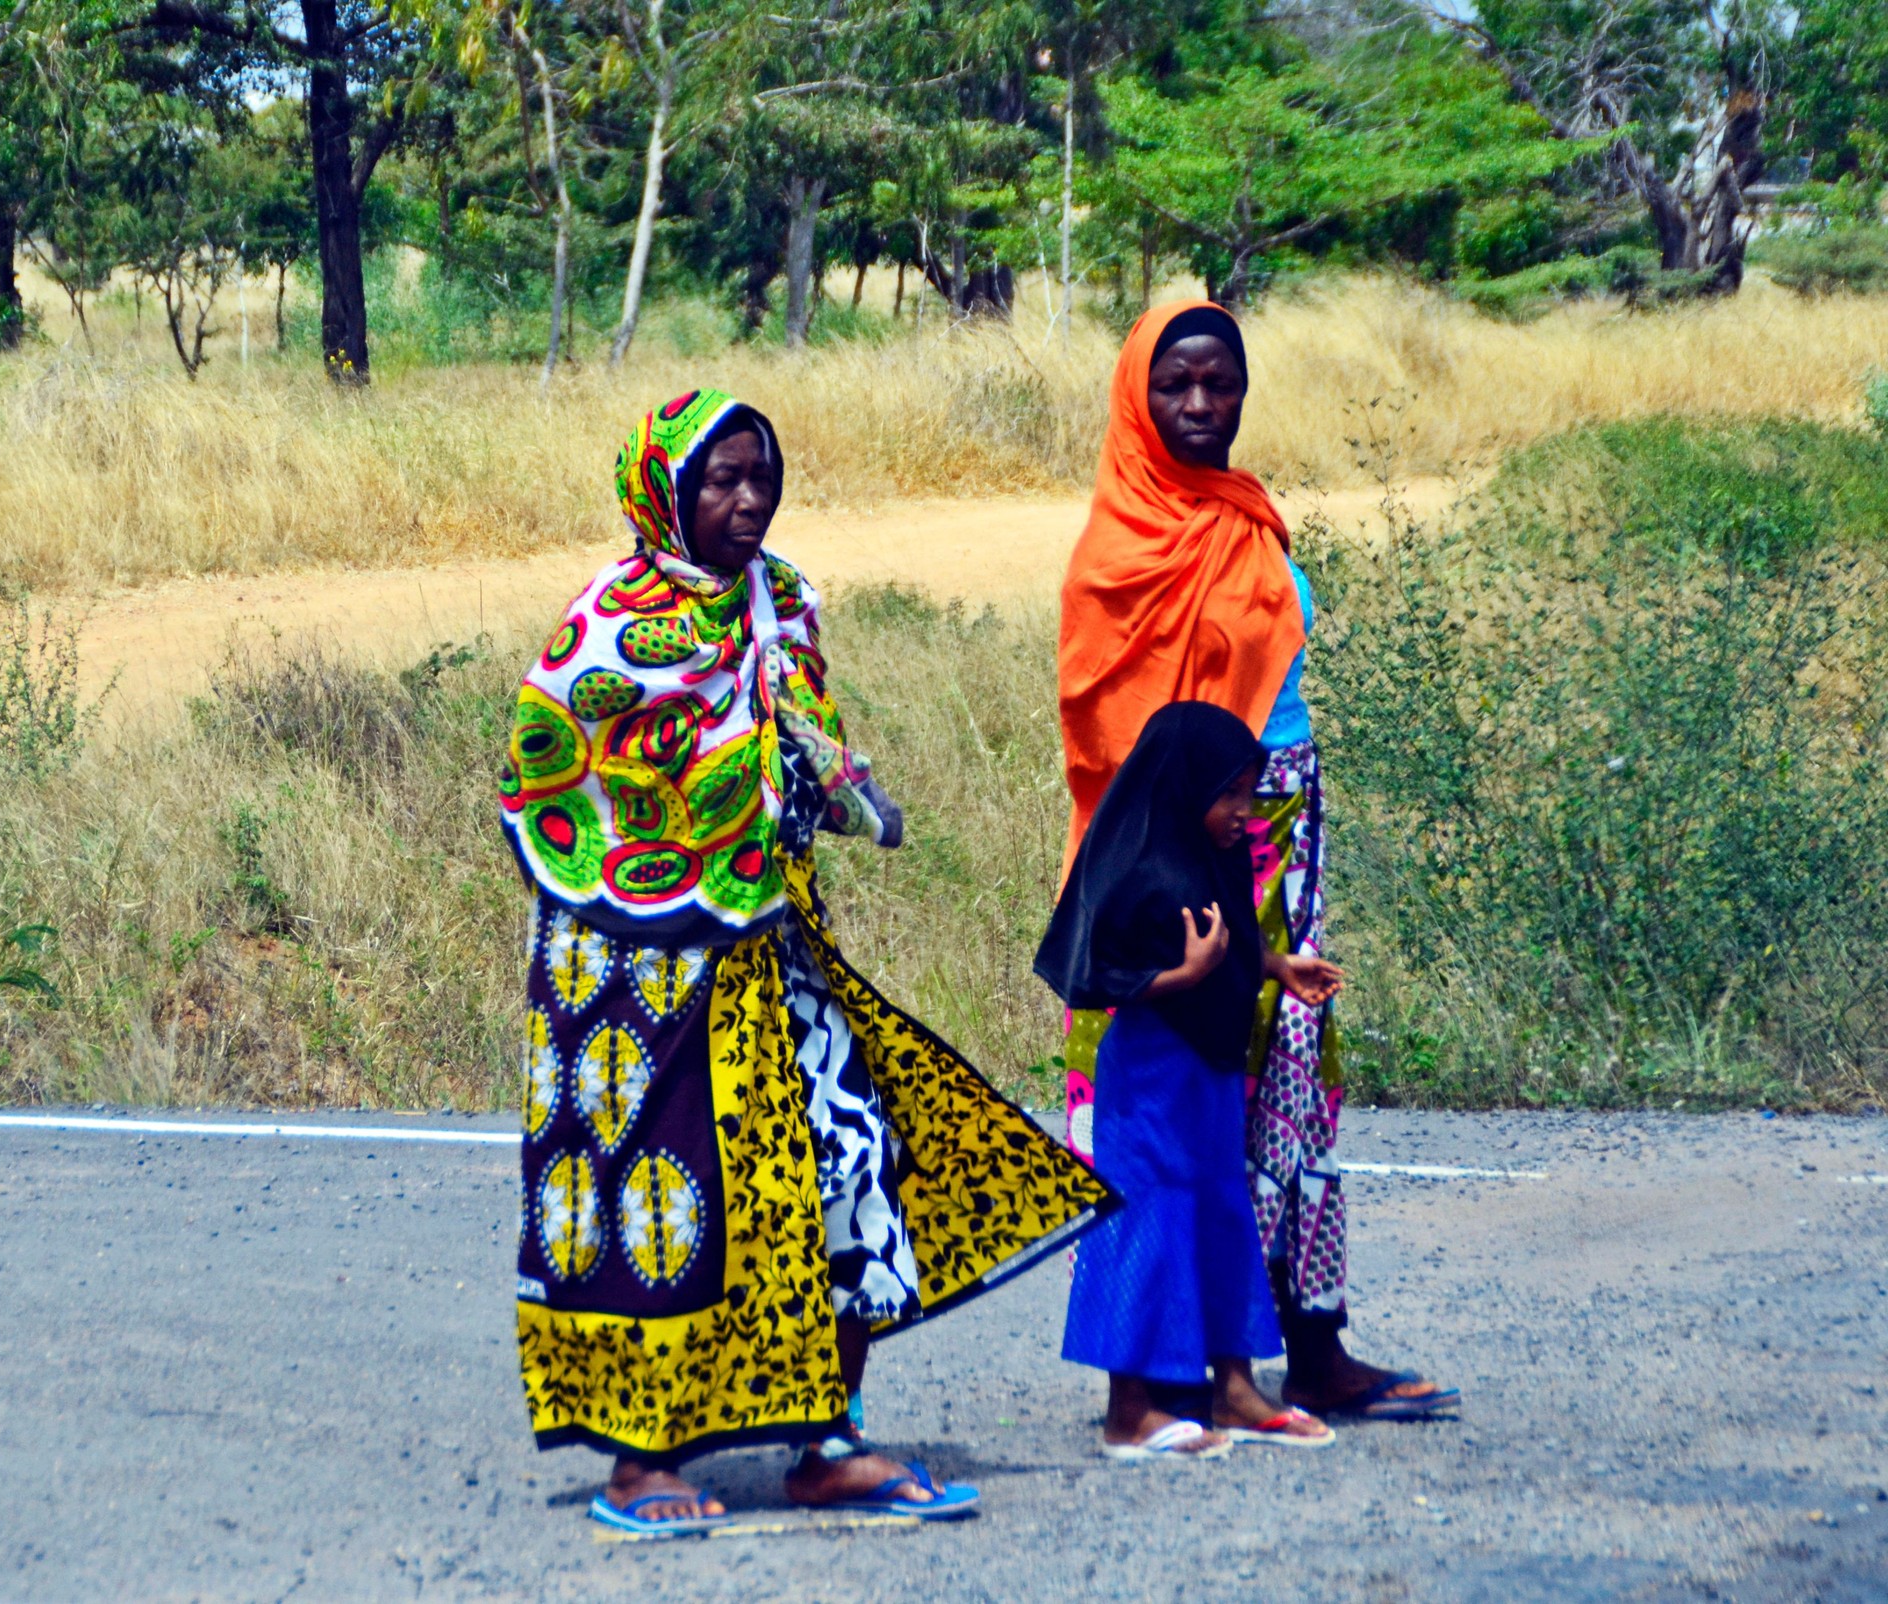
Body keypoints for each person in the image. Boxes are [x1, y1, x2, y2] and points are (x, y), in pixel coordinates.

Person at [500, 389, 1114, 1536]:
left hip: (775, 946)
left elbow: (801, 723)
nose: (746, 501)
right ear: (665, 493)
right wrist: (706, 820)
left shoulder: (781, 597)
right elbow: (551, 781)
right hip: (645, 969)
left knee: (843, 1165)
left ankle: (827, 1436)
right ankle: (643, 1459)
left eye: (759, 477)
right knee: (672, 1195)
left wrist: (845, 789)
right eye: (719, 480)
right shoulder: (608, 626)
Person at [1055, 301, 1460, 1423]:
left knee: (1291, 1088)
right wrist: (1192, 874)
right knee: (1174, 1096)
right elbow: (1112, 747)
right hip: (1186, 850)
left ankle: (1309, 1344)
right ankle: (1161, 1369)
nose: (1199, 406)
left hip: (1287, 826)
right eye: (1176, 384)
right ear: (1141, 393)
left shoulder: (1250, 518)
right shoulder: (1114, 551)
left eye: (1219, 383)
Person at [1037, 702, 1344, 1457]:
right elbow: (1095, 974)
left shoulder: (1214, 853)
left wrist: (1274, 964)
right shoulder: (1138, 864)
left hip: (1207, 1068)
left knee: (1219, 1209)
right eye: (1228, 794)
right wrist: (1185, 974)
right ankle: (1129, 1411)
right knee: (1146, 1219)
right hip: (1151, 1075)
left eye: (1248, 792)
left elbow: (1232, 935)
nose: (1242, 812)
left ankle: (1234, 1389)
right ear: (1184, 785)